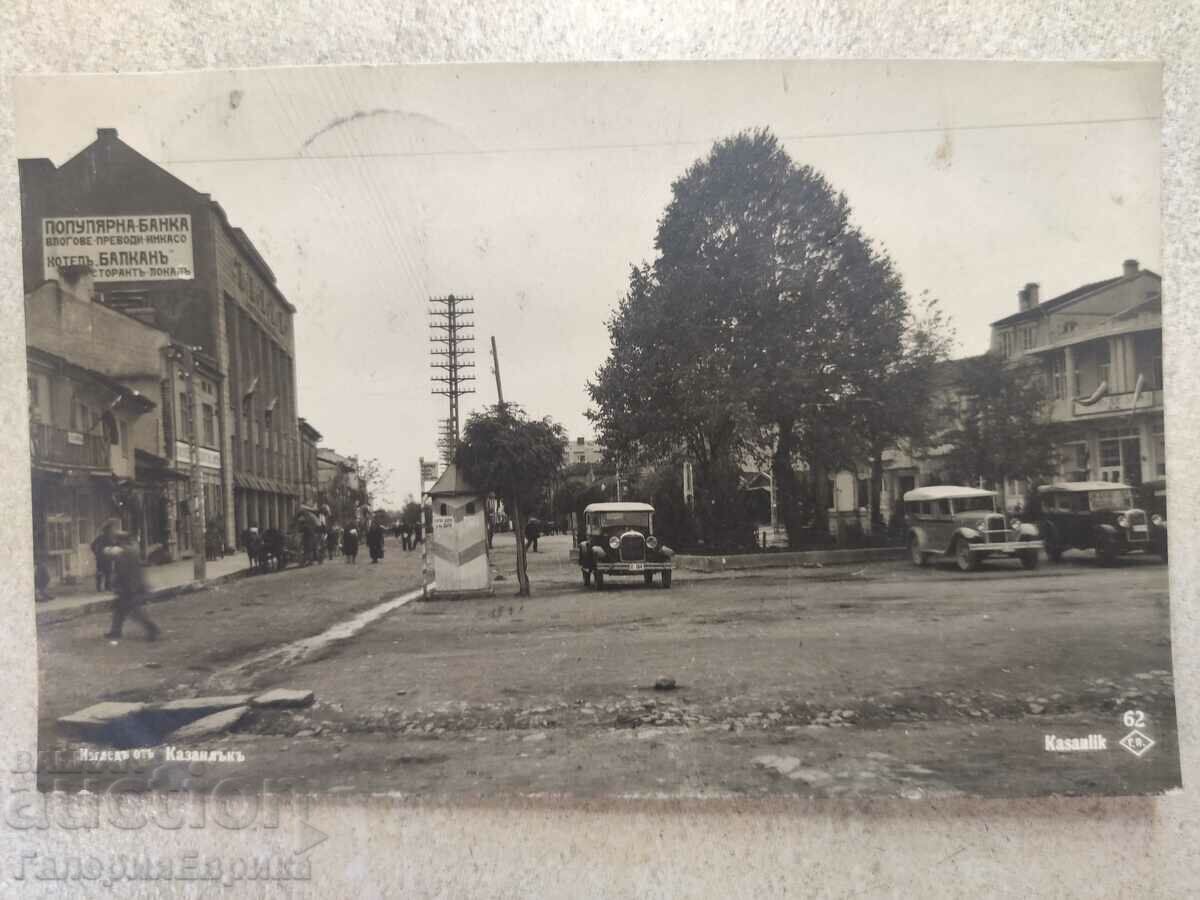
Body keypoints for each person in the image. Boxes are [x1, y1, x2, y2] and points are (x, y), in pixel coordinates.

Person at [104, 532, 159, 642]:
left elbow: (122, 572)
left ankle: (152, 629)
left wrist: (118, 585)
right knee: (119, 609)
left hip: (129, 587)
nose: (116, 542)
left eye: (117, 540)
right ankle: (115, 631)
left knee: (135, 612)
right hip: (135, 585)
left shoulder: (123, 553)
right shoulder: (133, 550)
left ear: (121, 541)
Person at [90, 520, 116, 591]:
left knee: (102, 572)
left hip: (101, 558)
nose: (111, 530)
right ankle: (107, 587)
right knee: (107, 572)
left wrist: (96, 553)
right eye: (110, 529)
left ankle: (100, 587)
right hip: (106, 558)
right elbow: (92, 545)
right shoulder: (109, 538)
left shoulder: (100, 537)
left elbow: (92, 545)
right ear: (107, 530)